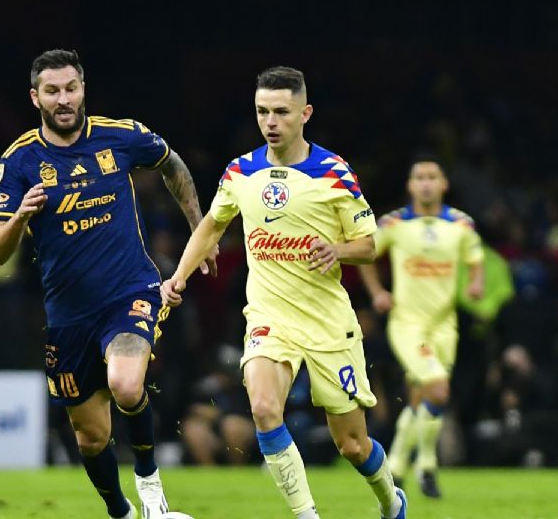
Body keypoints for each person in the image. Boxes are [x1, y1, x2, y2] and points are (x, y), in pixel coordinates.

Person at [161, 66, 405, 519]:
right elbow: (212, 225)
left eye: (281, 112)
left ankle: (391, 501)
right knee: (264, 407)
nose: (270, 122)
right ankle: (306, 515)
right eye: (262, 112)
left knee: (351, 444)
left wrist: (337, 249)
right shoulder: (241, 172)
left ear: (304, 113)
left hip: (328, 321)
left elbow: (370, 245)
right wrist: (178, 277)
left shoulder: (332, 173)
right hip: (270, 317)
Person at [0, 49, 216, 519]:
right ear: (36, 97)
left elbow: (172, 164)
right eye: (52, 91)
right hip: (69, 315)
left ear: (83, 88)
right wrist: (20, 218)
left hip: (129, 292)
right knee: (90, 436)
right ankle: (122, 513)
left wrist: (200, 229)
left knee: (127, 385)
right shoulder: (19, 162)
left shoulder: (121, 136)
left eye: (71, 87)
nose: (64, 98)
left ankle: (150, 485)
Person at [358, 158, 484, 498]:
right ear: (410, 185)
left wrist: (476, 284)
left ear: (444, 183)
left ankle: (402, 466)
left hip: (445, 325)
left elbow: (476, 262)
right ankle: (420, 464)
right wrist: (377, 293)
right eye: (419, 178)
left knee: (421, 396)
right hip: (408, 324)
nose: (426, 183)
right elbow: (367, 254)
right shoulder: (394, 223)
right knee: (439, 389)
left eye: (432, 177)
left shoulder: (461, 225)